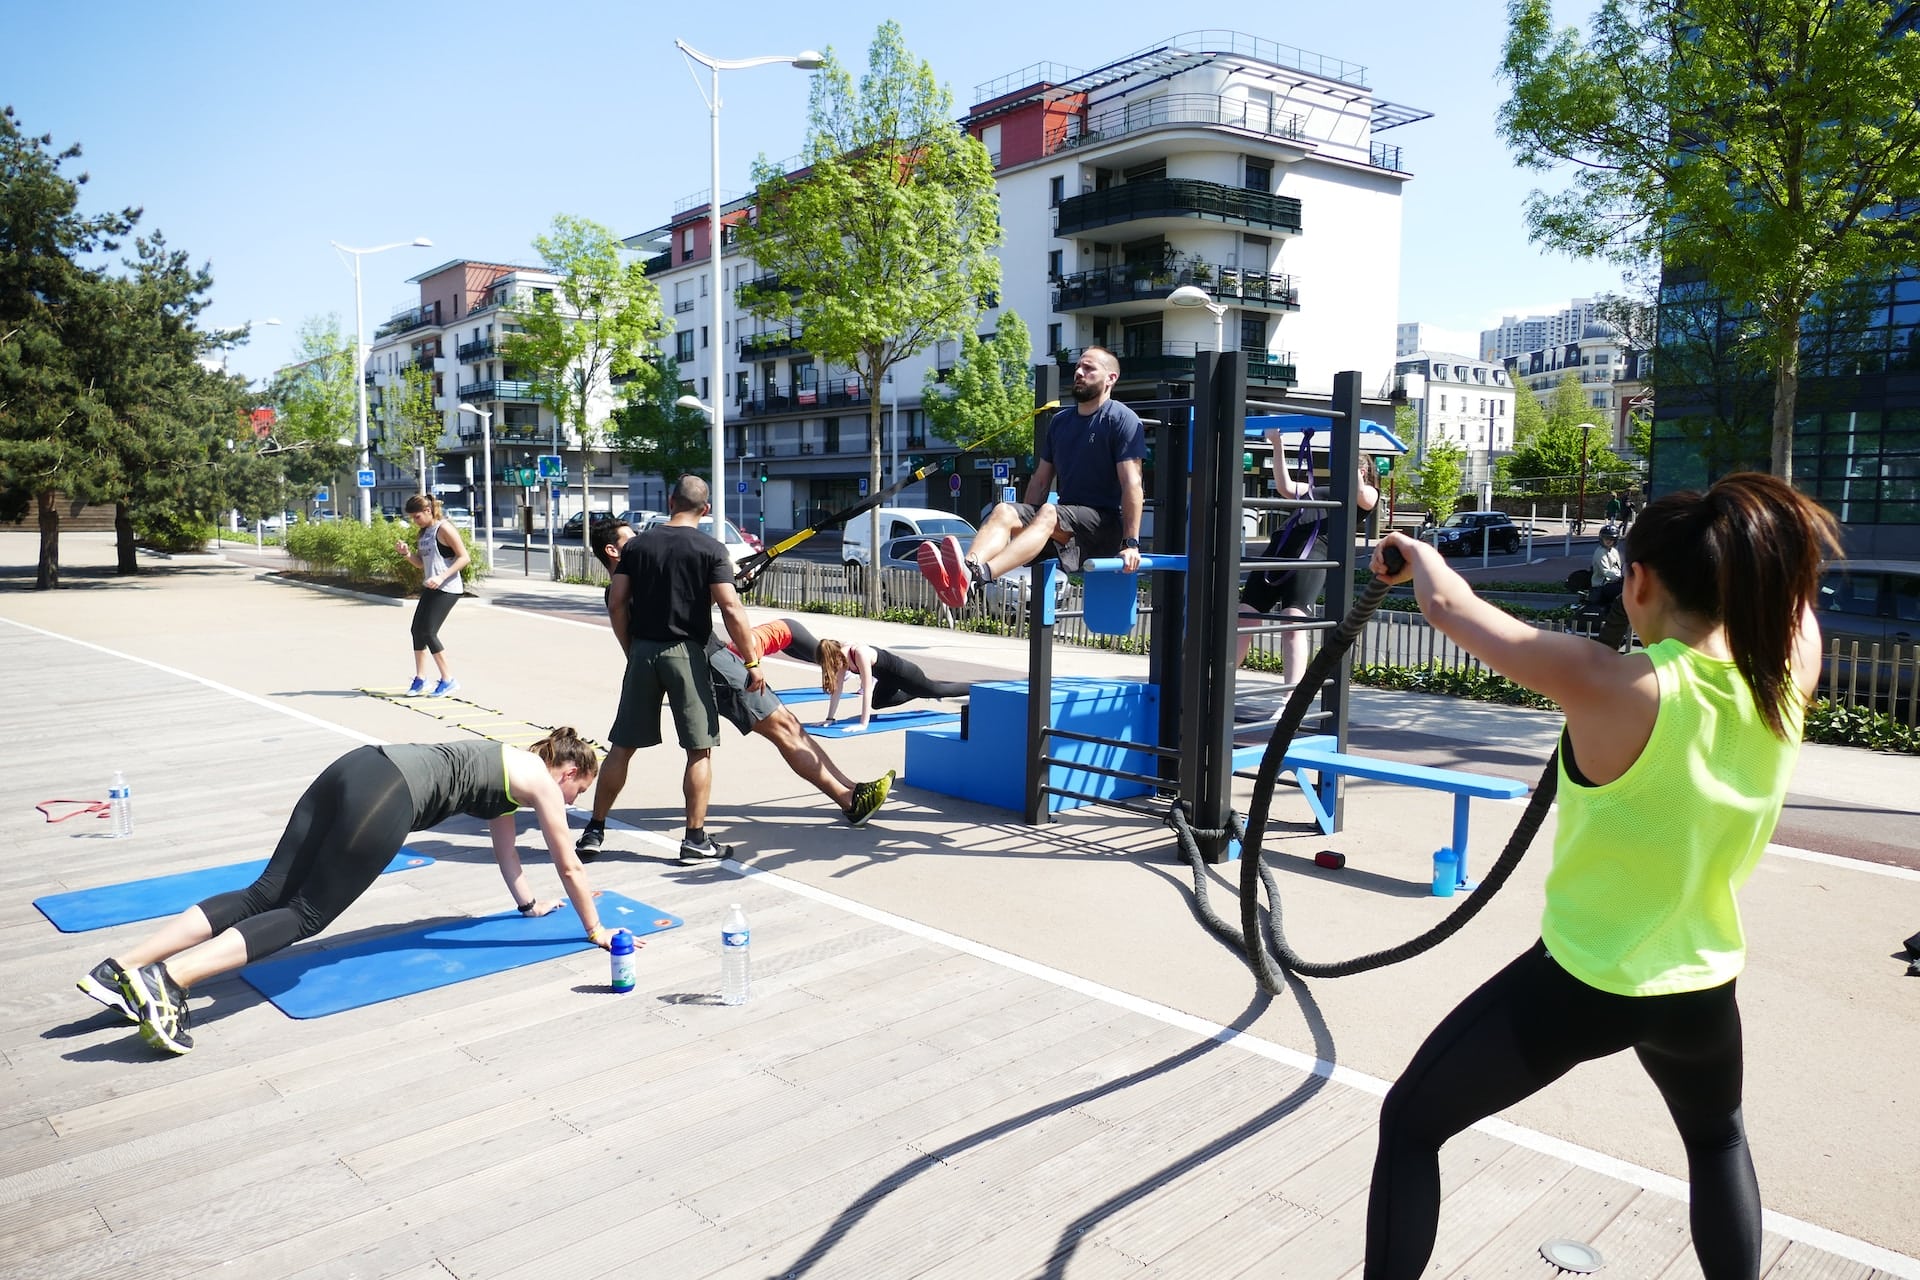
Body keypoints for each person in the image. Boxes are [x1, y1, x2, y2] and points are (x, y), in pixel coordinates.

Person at [1361, 472, 1840, 1279]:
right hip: (1701, 989)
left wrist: (1416, 551)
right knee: (1719, 1139)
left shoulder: (1618, 684)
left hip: (1583, 986)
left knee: (1411, 1124)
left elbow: (1451, 609)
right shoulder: (1787, 680)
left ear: (1641, 580)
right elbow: (1794, 610)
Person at [77, 729, 613, 1056]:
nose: (571, 800)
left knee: (266, 891)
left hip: (359, 764)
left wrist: (528, 904)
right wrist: (596, 930)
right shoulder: (542, 781)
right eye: (578, 791)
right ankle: (168, 980)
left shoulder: (505, 766)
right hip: (390, 793)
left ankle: (120, 968)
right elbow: (569, 864)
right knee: (307, 912)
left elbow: (507, 852)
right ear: (567, 771)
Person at [576, 529, 893, 853]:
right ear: (613, 550)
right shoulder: (647, 566)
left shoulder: (628, 581)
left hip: (647, 659)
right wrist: (726, 586)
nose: (641, 538)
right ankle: (849, 799)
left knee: (623, 747)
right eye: (631, 537)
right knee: (781, 727)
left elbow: (643, 606)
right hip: (705, 657)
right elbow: (708, 605)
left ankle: (594, 830)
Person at [600, 476, 766, 866]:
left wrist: (632, 650)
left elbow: (617, 604)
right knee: (698, 749)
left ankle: (594, 829)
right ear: (705, 510)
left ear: (670, 501)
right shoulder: (711, 548)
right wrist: (752, 661)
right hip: (687, 653)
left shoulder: (637, 546)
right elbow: (730, 608)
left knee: (622, 746)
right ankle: (694, 839)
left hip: (643, 651)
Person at [917, 346, 1145, 609]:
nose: (1079, 373)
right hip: (1066, 524)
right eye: (1077, 368)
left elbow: (1132, 485)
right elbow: (1039, 482)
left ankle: (981, 574)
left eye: (1089, 368)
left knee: (1048, 511)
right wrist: (1021, 530)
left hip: (1103, 526)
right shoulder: (1060, 423)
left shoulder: (1121, 419)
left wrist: (1131, 544)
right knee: (1003, 510)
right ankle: (966, 573)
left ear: (1111, 378)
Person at [1236, 437, 1380, 679]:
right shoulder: (1322, 490)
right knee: (1245, 616)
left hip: (1310, 553)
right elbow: (1285, 487)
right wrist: (1277, 444)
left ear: (1361, 470)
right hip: (1279, 548)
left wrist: (1354, 465)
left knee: (1293, 621)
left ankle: (1289, 698)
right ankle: (1220, 685)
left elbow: (1363, 495)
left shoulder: (1367, 494)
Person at [394, 494, 470, 697]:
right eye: (411, 517)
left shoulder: (444, 528)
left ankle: (448, 680)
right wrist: (406, 554)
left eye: (416, 516)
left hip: (448, 588)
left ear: (428, 511)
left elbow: (464, 557)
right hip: (432, 586)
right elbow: (421, 563)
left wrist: (442, 576)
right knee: (416, 631)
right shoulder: (423, 533)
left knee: (428, 632)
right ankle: (420, 679)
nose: (414, 521)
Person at [817, 637, 971, 731]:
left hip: (905, 674)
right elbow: (837, 690)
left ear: (835, 656)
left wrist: (863, 724)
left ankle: (974, 688)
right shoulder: (842, 660)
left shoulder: (859, 653)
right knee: (877, 704)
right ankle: (918, 692)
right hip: (887, 680)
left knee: (938, 690)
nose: (833, 669)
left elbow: (867, 689)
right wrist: (830, 718)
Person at [1589, 522, 1624, 610]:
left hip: (1612, 582)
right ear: (1602, 538)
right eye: (1606, 538)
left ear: (1615, 540)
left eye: (1611, 539)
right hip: (1601, 585)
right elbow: (1606, 572)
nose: (1608, 541)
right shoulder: (1600, 552)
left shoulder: (1614, 551)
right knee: (1624, 592)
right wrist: (1620, 577)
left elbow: (1619, 567)